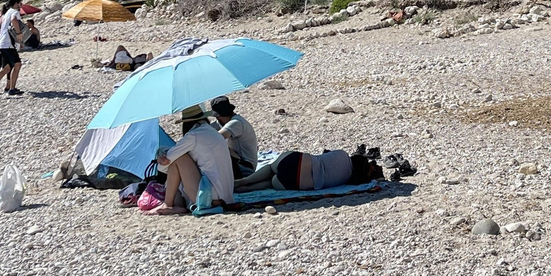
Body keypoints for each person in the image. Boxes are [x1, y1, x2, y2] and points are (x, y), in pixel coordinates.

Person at [145, 119, 233, 215]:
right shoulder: (213, 133)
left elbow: (165, 164)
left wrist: (161, 157)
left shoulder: (193, 135)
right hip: (227, 195)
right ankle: (178, 205)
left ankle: (168, 204)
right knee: (178, 163)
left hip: (210, 195)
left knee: (178, 159)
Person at [233, 147, 383, 193]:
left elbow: (324, 155)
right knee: (271, 183)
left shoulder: (343, 155)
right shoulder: (349, 181)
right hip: (299, 181)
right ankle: (245, 188)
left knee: (273, 167)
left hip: (298, 161)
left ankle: (243, 181)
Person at [208, 96, 259, 179]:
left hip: (245, 168)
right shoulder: (227, 121)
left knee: (217, 147)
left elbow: (216, 139)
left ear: (218, 116)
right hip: (240, 164)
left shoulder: (236, 123)